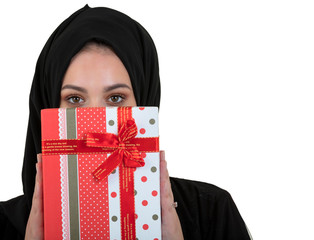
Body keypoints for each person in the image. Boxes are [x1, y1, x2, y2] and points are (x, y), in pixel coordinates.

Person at [0, 5, 251, 240]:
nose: (97, 121)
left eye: (116, 98)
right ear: (47, 104)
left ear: (145, 98)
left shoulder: (211, 212)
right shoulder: (4, 223)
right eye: (75, 99)